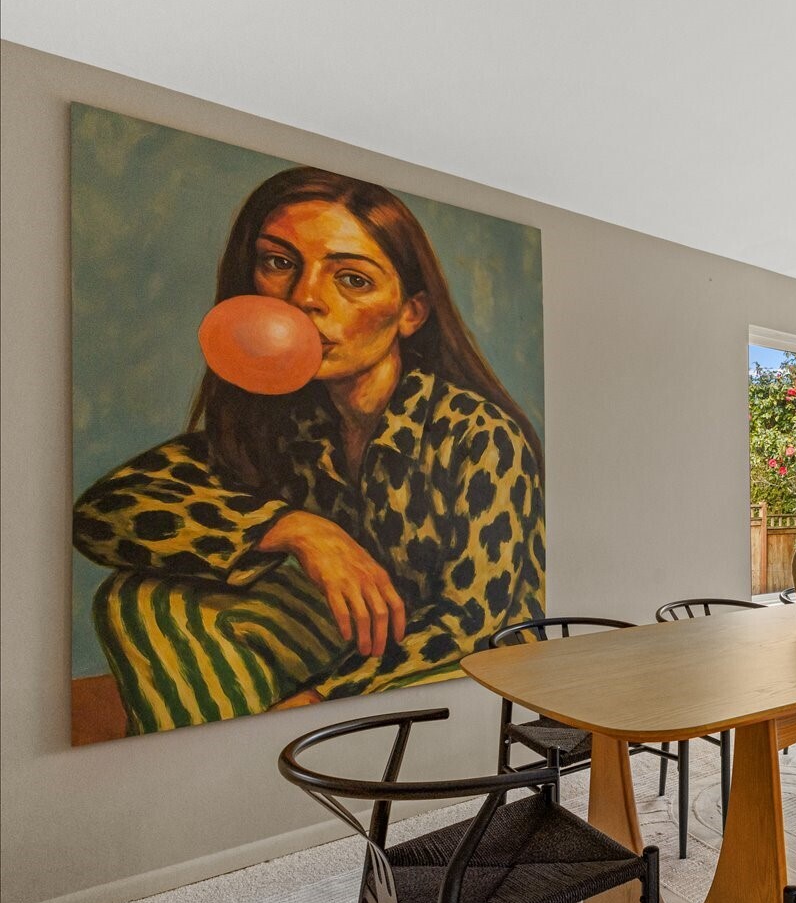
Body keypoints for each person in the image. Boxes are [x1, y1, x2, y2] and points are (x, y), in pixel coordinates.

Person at [73, 167, 544, 735]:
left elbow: (473, 620)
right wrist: (297, 528)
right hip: (348, 634)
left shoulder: (478, 435)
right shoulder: (282, 425)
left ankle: (260, 768)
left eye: (352, 279)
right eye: (279, 263)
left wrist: (322, 698)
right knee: (140, 599)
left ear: (411, 312)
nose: (304, 299)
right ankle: (232, 786)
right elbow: (105, 511)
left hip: (469, 659)